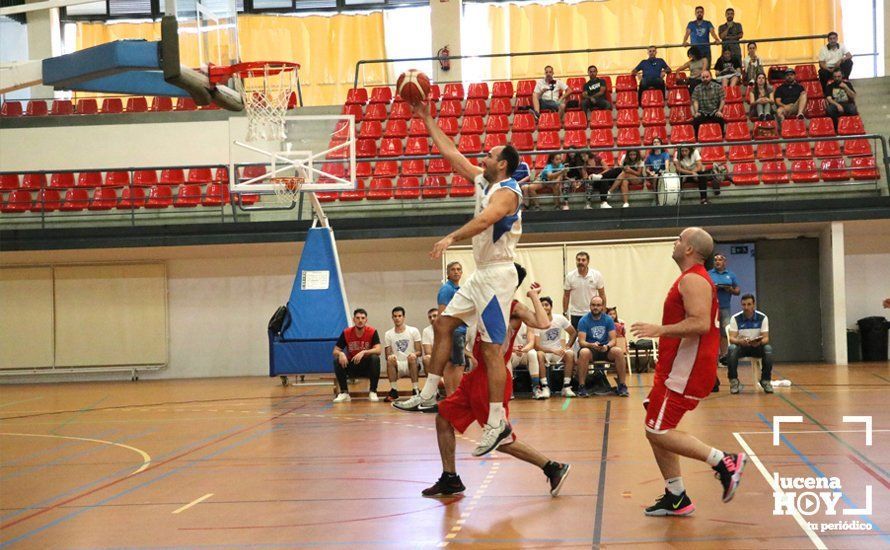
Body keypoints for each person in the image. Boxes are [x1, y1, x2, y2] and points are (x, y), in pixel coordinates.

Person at [394, 100, 523, 459]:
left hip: (498, 275)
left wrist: (452, 236)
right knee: (444, 323)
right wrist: (427, 120)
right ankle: (428, 390)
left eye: (491, 154)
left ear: (504, 164)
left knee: (490, 350)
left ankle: (497, 422)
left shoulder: (509, 191)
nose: (484, 156)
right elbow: (452, 155)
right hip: (481, 274)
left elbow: (485, 221)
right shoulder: (483, 181)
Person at [630, 227, 747, 517]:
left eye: (680, 239)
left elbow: (699, 324)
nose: (675, 242)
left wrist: (660, 330)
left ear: (690, 249)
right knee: (654, 426)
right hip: (676, 367)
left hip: (687, 370)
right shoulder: (690, 278)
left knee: (657, 430)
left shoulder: (694, 279)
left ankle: (724, 461)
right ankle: (676, 496)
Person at [422, 279, 572, 498]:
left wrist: (533, 296)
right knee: (443, 417)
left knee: (499, 439)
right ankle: (450, 478)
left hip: (491, 379)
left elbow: (543, 323)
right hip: (475, 376)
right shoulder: (482, 303)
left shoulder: (513, 307)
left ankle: (552, 467)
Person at [576, 296, 629, 397]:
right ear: (590, 306)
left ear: (602, 307)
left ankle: (622, 385)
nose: (595, 307)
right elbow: (581, 342)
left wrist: (607, 346)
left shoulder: (608, 320)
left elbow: (613, 340)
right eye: (593, 305)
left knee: (618, 351)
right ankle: (582, 386)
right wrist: (591, 345)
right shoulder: (583, 320)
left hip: (605, 349)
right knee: (583, 352)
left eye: (598, 305)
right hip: (591, 349)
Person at [332, 308, 383, 403]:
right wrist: (341, 353)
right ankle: (344, 393)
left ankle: (373, 391)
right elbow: (335, 351)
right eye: (358, 318)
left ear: (366, 320)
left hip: (367, 367)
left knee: (375, 358)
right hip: (352, 366)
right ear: (353, 319)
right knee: (337, 360)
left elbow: (378, 350)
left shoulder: (372, 331)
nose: (360, 320)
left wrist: (364, 352)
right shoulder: (346, 332)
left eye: (363, 318)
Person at [727, 294, 774, 395]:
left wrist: (759, 342)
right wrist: (739, 341)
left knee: (768, 349)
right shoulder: (735, 318)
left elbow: (766, 338)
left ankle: (765, 380)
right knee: (731, 349)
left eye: (749, 304)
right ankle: (734, 381)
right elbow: (731, 338)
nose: (746, 307)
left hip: (756, 347)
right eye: (744, 305)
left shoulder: (763, 318)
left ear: (754, 304)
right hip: (742, 347)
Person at [534, 296, 578, 399]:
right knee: (539, 354)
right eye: (542, 306)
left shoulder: (559, 318)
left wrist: (567, 347)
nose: (544, 308)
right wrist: (552, 350)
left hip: (558, 351)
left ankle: (566, 386)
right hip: (545, 351)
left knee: (570, 354)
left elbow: (573, 333)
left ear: (551, 306)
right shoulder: (536, 322)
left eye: (546, 305)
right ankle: (545, 387)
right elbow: (536, 346)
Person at [436, 261, 468, 395]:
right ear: (448, 274)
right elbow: (442, 312)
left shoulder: (459, 290)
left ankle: (451, 396)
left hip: (458, 331)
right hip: (454, 332)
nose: (456, 271)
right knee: (458, 365)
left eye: (458, 269)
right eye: (453, 269)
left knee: (452, 364)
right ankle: (455, 395)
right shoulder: (447, 289)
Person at [383, 306, 423, 402]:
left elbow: (420, 352)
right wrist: (390, 356)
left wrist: (414, 354)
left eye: (399, 316)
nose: (397, 318)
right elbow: (387, 355)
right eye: (395, 316)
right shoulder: (388, 334)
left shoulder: (413, 331)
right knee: (389, 361)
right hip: (398, 364)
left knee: (412, 358)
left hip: (412, 363)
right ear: (392, 318)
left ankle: (415, 389)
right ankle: (394, 391)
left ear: (404, 317)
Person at [708, 253, 740, 365]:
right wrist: (713, 288)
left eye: (720, 260)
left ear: (724, 262)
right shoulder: (709, 274)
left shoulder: (730, 275)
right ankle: (712, 358)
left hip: (725, 307)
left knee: (725, 333)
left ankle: (723, 357)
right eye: (715, 260)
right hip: (712, 308)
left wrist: (729, 289)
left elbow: (738, 291)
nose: (717, 262)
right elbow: (703, 288)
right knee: (712, 333)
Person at [564, 251, 607, 331]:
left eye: (583, 260)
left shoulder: (596, 275)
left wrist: (603, 311)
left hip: (593, 312)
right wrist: (565, 312)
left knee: (593, 336)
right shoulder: (570, 276)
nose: (580, 262)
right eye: (578, 260)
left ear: (588, 261)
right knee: (576, 338)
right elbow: (566, 295)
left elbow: (602, 294)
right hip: (575, 313)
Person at [691, 71, 725, 137]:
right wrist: (696, 112)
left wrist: (719, 111)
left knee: (720, 119)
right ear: (701, 78)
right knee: (696, 120)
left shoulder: (718, 87)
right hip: (703, 111)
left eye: (707, 77)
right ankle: (697, 138)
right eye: (703, 77)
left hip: (714, 111)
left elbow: (722, 100)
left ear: (711, 77)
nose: (705, 79)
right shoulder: (697, 88)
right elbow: (695, 101)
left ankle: (721, 136)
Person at [421, 307, 437, 374]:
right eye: (430, 317)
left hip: (448, 358)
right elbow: (428, 352)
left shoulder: (448, 328)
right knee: (426, 358)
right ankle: (430, 383)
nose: (432, 318)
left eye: (434, 316)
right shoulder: (426, 331)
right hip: (435, 358)